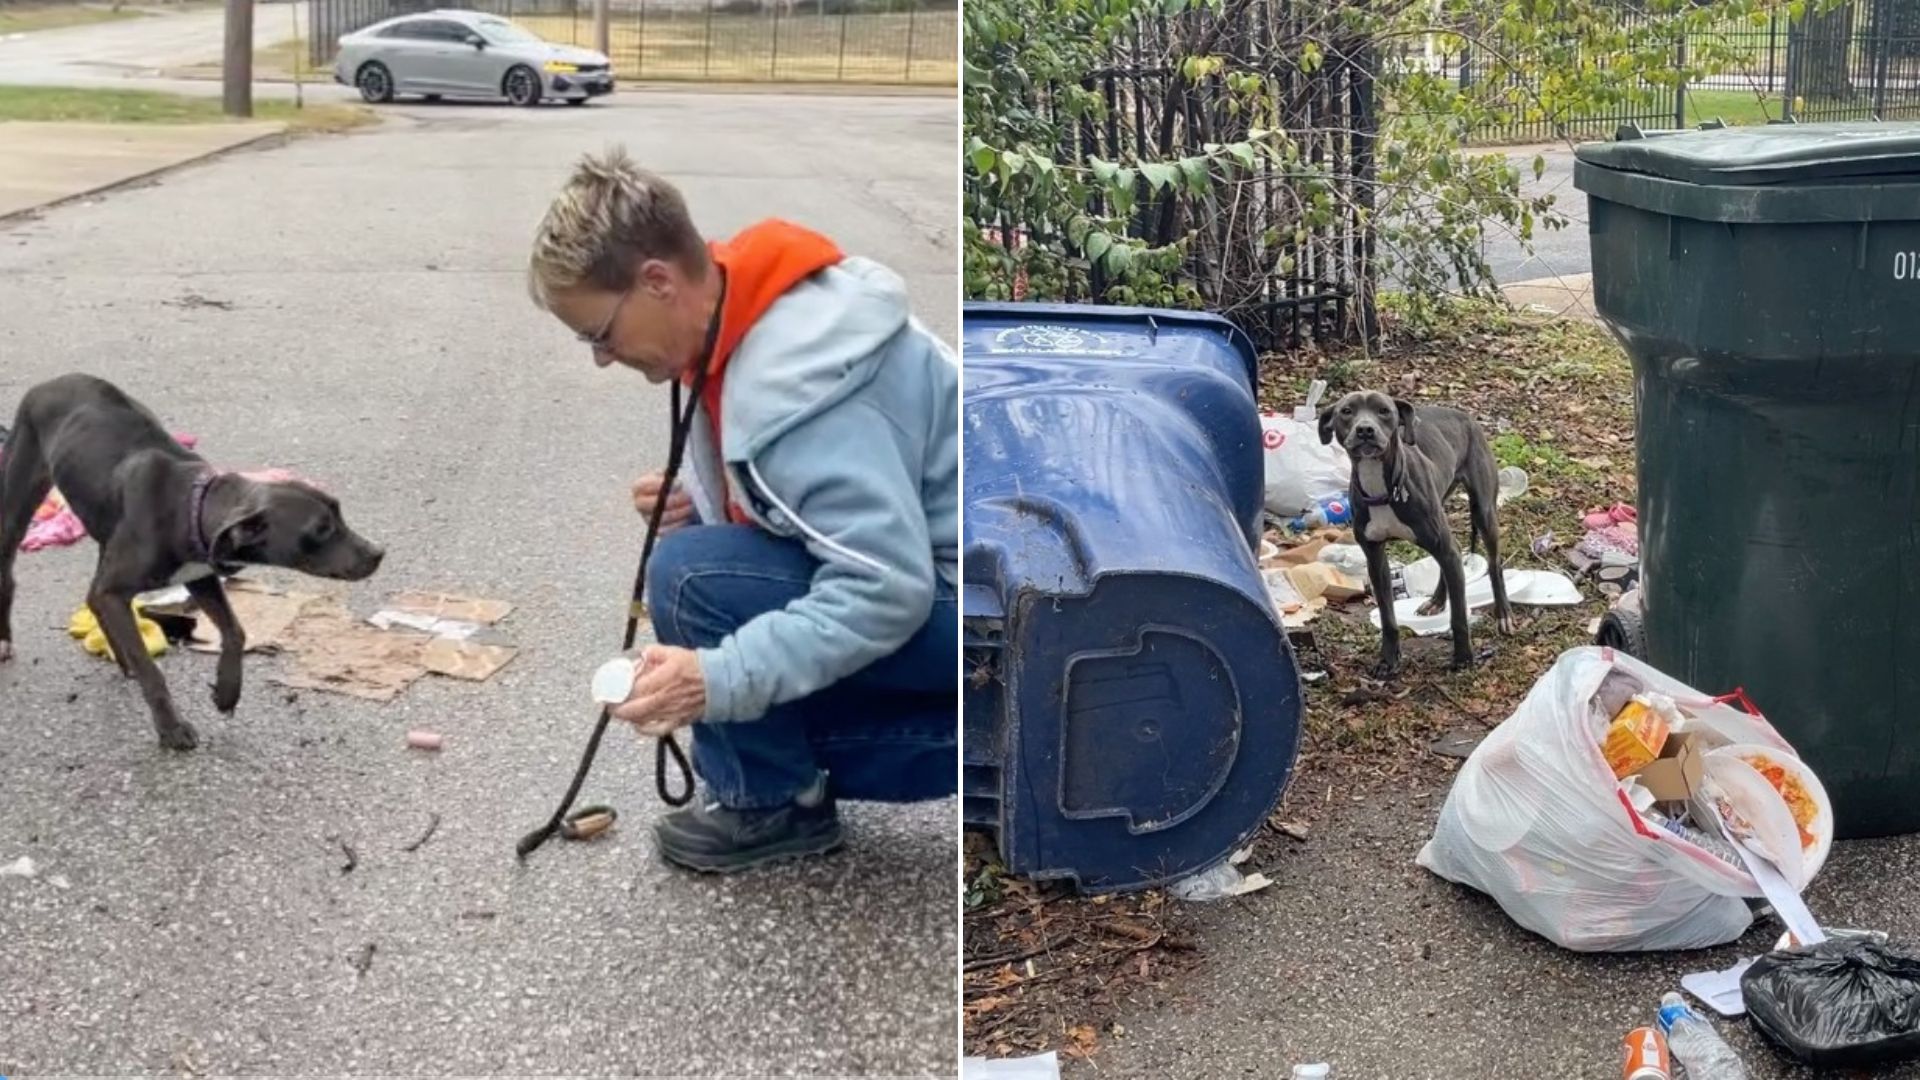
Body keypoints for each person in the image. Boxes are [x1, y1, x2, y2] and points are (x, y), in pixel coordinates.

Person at [525, 148, 958, 873]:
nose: (602, 358)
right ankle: (785, 769)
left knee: (695, 580)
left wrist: (716, 680)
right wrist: (712, 497)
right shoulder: (746, 303)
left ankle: (775, 801)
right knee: (700, 570)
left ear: (657, 281)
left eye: (601, 334)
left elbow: (888, 589)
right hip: (962, 569)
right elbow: (840, 488)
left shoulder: (795, 391)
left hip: (965, 612)